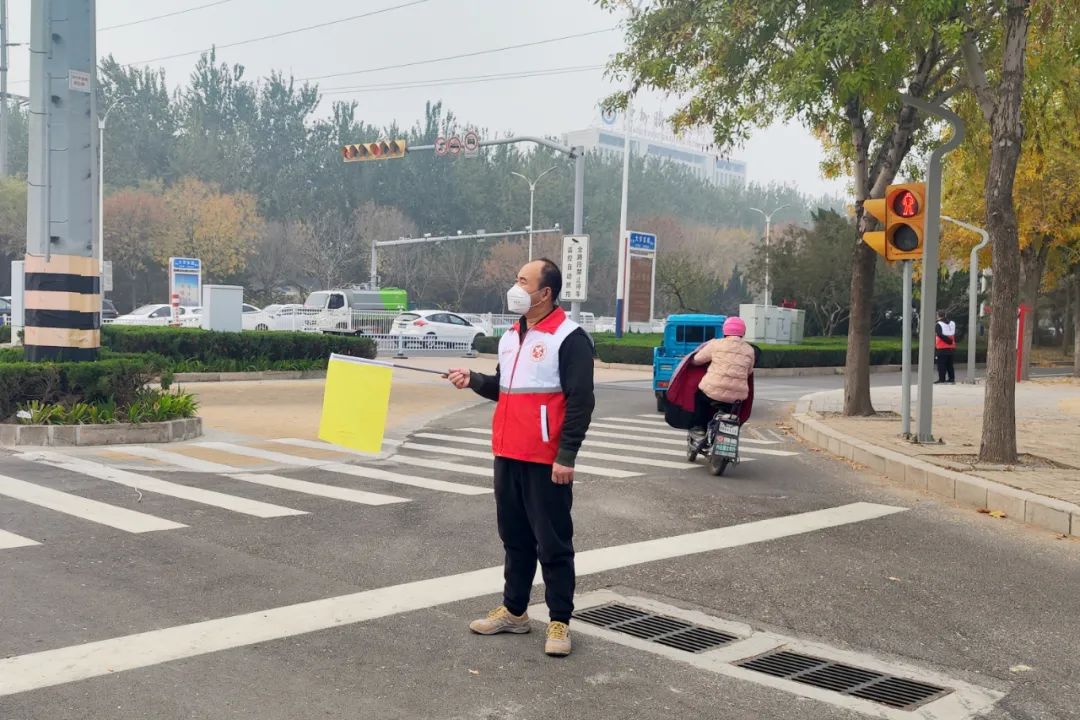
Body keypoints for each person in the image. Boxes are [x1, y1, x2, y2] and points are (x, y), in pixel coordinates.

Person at [446, 258, 594, 658]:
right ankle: (515, 611)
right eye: (516, 279)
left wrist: (566, 455)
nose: (515, 287)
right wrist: (474, 380)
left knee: (553, 542)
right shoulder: (511, 336)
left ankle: (560, 620)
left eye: (523, 281)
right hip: (507, 452)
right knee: (514, 538)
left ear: (545, 292)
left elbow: (581, 401)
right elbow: (504, 387)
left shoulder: (570, 337)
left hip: (546, 459)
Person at [689, 316, 756, 442]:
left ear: (724, 331)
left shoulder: (715, 344)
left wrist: (691, 361)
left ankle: (698, 428)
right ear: (743, 332)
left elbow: (697, 360)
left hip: (713, 391)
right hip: (737, 397)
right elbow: (749, 371)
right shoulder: (749, 350)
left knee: (699, 397)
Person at [935, 310, 957, 384]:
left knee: (941, 364)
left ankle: (942, 379)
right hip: (951, 347)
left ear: (938, 315)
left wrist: (948, 341)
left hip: (942, 347)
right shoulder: (952, 323)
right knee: (950, 364)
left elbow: (939, 334)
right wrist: (950, 341)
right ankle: (951, 378)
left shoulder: (938, 324)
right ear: (945, 315)